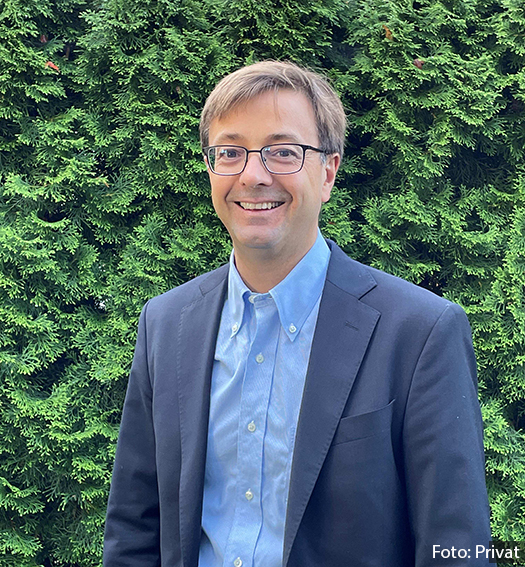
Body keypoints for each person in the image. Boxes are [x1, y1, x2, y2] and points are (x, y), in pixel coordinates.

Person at [103, 60, 492, 566]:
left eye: (283, 152)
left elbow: (457, 547)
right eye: (230, 152)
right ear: (210, 168)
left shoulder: (419, 334)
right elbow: (135, 527)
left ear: (328, 173)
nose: (253, 175)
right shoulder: (165, 323)